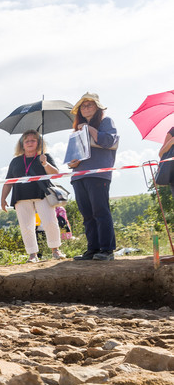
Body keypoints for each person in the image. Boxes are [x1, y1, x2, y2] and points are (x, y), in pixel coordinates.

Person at [0, 130, 66, 263]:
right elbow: (9, 181)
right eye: (27, 141)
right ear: (22, 144)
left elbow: (55, 173)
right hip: (21, 196)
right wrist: (3, 199)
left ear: (38, 143)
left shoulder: (45, 156)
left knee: (50, 222)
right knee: (26, 226)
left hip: (42, 195)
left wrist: (45, 164)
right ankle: (32, 254)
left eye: (33, 140)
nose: (30, 143)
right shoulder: (16, 161)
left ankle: (55, 250)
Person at [67, 92, 119, 261]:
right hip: (78, 176)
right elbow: (72, 157)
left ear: (97, 108)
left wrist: (89, 129)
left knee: (100, 211)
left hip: (98, 174)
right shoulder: (76, 129)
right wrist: (72, 163)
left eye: (90, 105)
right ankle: (92, 249)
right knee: (87, 214)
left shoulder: (105, 122)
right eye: (83, 106)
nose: (86, 108)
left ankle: (107, 249)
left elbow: (109, 141)